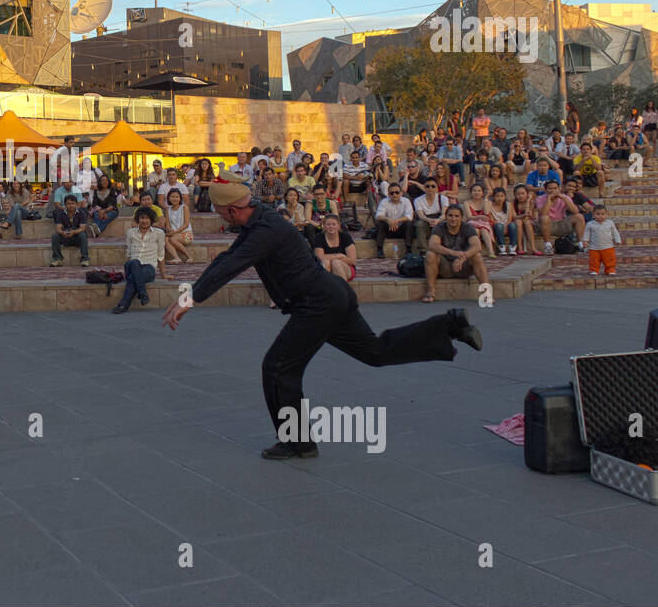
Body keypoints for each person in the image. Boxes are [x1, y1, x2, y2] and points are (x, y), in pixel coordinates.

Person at [161, 181, 482, 459]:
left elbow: (231, 265)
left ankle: (297, 444)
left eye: (219, 210)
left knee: (278, 368)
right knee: (376, 352)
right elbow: (229, 257)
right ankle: (449, 325)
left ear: (231, 210)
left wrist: (189, 300)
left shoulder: (264, 230)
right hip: (332, 296)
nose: (217, 214)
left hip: (318, 305)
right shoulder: (259, 221)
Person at [422, 204, 489, 303]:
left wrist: (463, 257)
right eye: (450, 215)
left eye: (457, 216)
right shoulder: (440, 227)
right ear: (446, 216)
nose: (453, 219)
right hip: (445, 267)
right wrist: (454, 253)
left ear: (462, 217)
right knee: (430, 254)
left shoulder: (467, 227)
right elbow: (432, 245)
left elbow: (477, 246)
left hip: (463, 266)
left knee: (477, 256)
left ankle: (486, 293)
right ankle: (431, 291)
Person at [113, 206, 168, 314]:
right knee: (134, 262)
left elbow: (161, 254)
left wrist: (163, 273)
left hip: (149, 268)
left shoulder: (159, 233)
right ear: (138, 219)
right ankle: (142, 294)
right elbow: (128, 253)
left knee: (133, 279)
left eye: (147, 218)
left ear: (151, 220)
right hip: (132, 265)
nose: (144, 221)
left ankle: (123, 304)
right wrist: (128, 270)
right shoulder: (130, 232)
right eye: (142, 218)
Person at [535, 180, 586, 254]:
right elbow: (544, 213)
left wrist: (564, 198)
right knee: (544, 218)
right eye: (550, 188)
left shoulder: (565, 197)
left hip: (561, 223)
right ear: (545, 190)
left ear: (559, 188)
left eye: (555, 188)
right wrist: (549, 199)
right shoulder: (540, 198)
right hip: (547, 225)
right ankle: (548, 246)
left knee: (579, 216)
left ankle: (580, 244)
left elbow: (575, 211)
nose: (553, 190)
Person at [312, 213, 357, 281]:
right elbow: (319, 258)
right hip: (327, 267)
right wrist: (339, 255)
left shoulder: (345, 237)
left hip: (346, 268)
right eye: (328, 224)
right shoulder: (319, 238)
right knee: (325, 263)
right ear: (324, 226)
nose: (331, 227)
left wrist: (333, 261)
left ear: (338, 226)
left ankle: (343, 290)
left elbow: (352, 260)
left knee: (336, 263)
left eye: (334, 224)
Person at [50, 194, 90, 267]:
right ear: (65, 205)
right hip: (65, 236)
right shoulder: (61, 214)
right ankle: (57, 259)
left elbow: (82, 228)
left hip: (77, 237)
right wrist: (63, 232)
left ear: (76, 204)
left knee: (83, 235)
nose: (71, 205)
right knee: (55, 236)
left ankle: (85, 259)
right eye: (68, 203)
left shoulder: (81, 213)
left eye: (73, 203)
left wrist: (73, 232)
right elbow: (58, 228)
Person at [374, 183, 415, 255]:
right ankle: (380, 249)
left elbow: (409, 216)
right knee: (380, 223)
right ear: (388, 194)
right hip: (389, 229)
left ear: (401, 193)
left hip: (401, 229)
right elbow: (378, 215)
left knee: (409, 223)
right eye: (392, 193)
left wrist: (396, 221)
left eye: (397, 192)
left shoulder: (406, 201)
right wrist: (388, 220)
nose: (394, 195)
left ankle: (408, 249)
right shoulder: (384, 201)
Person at [412, 179, 448, 254]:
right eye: (427, 186)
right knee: (419, 224)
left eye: (433, 186)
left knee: (446, 223)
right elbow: (420, 215)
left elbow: (444, 214)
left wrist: (437, 220)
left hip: (439, 221)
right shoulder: (418, 200)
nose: (430, 188)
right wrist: (429, 220)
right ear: (424, 188)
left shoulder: (443, 198)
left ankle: (446, 247)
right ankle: (423, 251)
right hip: (426, 222)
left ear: (436, 188)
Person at [583, 205, 621, 276]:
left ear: (606, 214)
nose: (600, 216)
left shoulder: (610, 223)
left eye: (603, 214)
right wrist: (585, 241)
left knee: (610, 259)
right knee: (594, 260)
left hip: (608, 246)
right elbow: (586, 233)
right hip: (594, 247)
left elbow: (615, 232)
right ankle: (594, 270)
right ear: (593, 215)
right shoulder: (590, 224)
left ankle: (610, 270)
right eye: (598, 214)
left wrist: (617, 240)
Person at [463, 182, 497, 257]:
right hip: (472, 222)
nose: (477, 193)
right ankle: (475, 251)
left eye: (479, 191)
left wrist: (485, 198)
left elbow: (486, 212)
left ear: (482, 192)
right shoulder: (467, 203)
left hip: (484, 224)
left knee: (484, 230)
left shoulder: (488, 202)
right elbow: (469, 217)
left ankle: (491, 251)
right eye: (474, 191)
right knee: (476, 230)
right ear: (471, 192)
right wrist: (480, 217)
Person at [161, 187, 193, 264]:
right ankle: (176, 258)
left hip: (186, 233)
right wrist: (169, 230)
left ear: (180, 198)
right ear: (169, 198)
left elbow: (186, 224)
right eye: (172, 197)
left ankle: (189, 256)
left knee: (172, 239)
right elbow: (168, 225)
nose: (174, 199)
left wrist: (175, 232)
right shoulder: (168, 210)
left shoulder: (184, 207)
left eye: (177, 197)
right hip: (174, 233)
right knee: (165, 239)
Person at [512, 184, 541, 255]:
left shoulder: (531, 202)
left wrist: (528, 201)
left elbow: (529, 215)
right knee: (518, 222)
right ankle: (520, 247)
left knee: (527, 222)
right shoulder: (512, 203)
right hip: (518, 223)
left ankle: (533, 248)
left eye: (523, 193)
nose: (520, 196)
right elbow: (514, 217)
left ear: (527, 194)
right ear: (515, 195)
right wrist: (524, 215)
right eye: (518, 194)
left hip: (530, 222)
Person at [489, 187, 517, 256]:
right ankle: (501, 246)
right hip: (496, 227)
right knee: (499, 226)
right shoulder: (490, 205)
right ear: (493, 197)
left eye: (502, 196)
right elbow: (492, 220)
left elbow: (510, 219)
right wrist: (501, 226)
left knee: (512, 225)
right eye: (497, 196)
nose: (500, 198)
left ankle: (512, 246)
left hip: (507, 226)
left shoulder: (508, 205)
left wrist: (505, 226)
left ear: (505, 196)